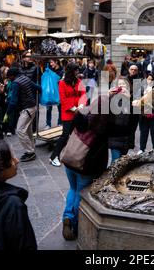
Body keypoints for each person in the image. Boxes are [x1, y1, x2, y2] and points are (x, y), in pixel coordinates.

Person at [61, 96, 109, 240]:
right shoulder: (103, 124)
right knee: (80, 194)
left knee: (72, 189)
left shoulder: (80, 115)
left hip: (70, 160)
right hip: (85, 166)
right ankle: (74, 225)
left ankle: (67, 217)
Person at [49, 63, 86, 167]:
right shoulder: (62, 83)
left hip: (78, 112)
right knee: (65, 136)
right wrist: (74, 109)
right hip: (68, 113)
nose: (78, 72)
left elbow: (83, 93)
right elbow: (63, 99)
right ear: (71, 71)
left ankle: (75, 155)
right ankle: (54, 157)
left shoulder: (78, 81)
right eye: (76, 70)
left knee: (78, 134)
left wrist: (82, 105)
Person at [6, 67, 42, 162]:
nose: (9, 79)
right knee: (28, 129)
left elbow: (13, 101)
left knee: (20, 130)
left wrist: (7, 113)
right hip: (33, 107)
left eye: (9, 77)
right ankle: (31, 149)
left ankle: (30, 152)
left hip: (27, 109)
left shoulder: (16, 83)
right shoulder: (25, 78)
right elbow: (38, 88)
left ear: (12, 76)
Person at [136, 74, 154, 153]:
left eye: (152, 79)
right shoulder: (141, 88)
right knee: (143, 132)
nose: (150, 81)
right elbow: (137, 100)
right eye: (148, 79)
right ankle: (141, 149)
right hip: (143, 115)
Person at [44, 59, 62, 130]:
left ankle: (60, 123)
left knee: (60, 109)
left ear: (56, 62)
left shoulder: (61, 71)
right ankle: (48, 124)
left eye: (52, 62)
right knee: (48, 109)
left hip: (58, 92)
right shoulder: (48, 70)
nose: (51, 64)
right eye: (50, 63)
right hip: (50, 92)